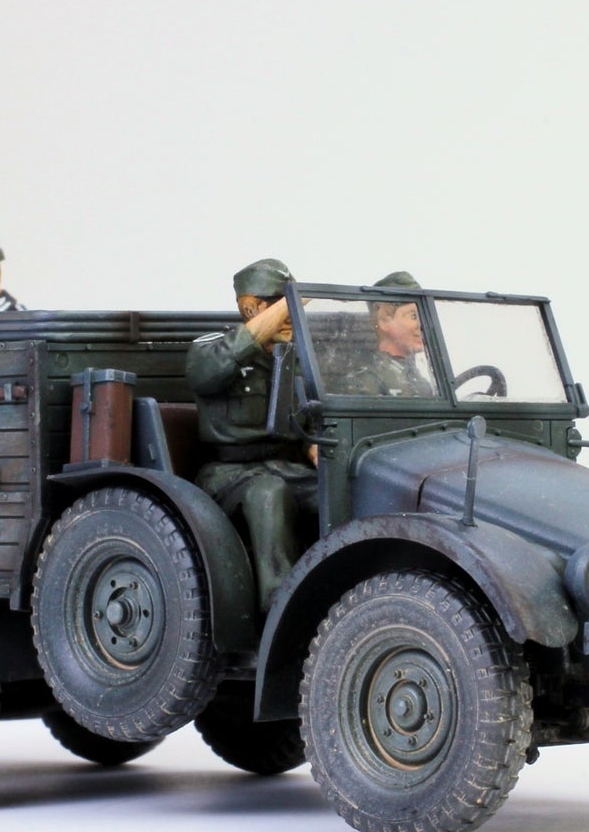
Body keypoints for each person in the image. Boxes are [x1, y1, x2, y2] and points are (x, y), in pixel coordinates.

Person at [186, 258, 318, 612]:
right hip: (229, 474)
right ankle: (279, 611)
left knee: (339, 489)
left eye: (293, 303)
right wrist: (278, 314)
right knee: (268, 493)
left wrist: (313, 446)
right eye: (280, 303)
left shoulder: (295, 357)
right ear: (250, 308)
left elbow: (309, 416)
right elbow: (207, 373)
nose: (290, 313)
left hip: (285, 466)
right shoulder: (210, 349)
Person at [334, 270, 436, 397]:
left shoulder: (420, 380)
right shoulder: (366, 382)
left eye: (424, 316)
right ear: (384, 319)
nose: (422, 325)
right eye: (414, 316)